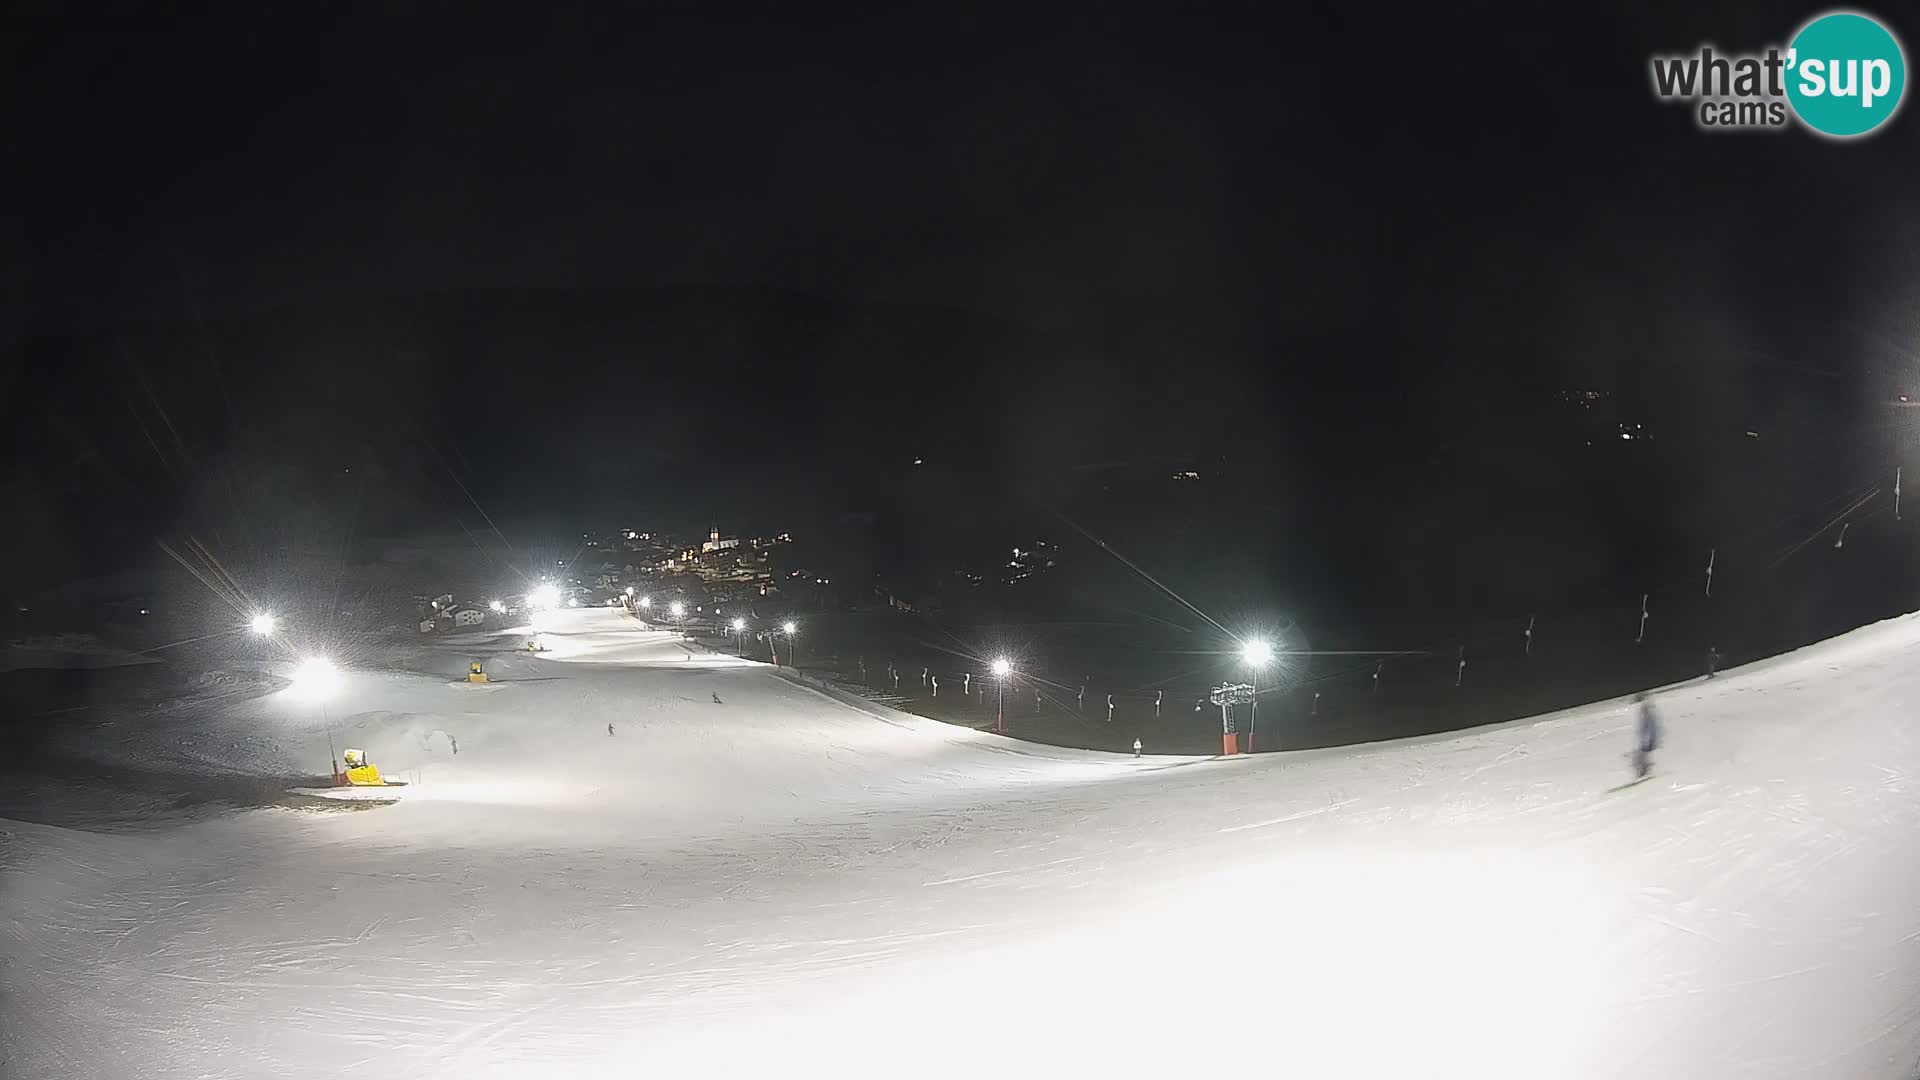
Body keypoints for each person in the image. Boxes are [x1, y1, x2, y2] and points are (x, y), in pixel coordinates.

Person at [1632, 692, 1662, 779]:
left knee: (1640, 755)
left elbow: (1649, 725)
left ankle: (1643, 771)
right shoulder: (1646, 709)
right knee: (1642, 755)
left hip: (1648, 737)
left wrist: (1650, 738)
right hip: (1647, 737)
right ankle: (1644, 771)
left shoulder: (1646, 710)